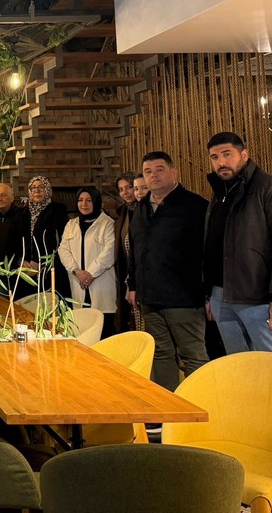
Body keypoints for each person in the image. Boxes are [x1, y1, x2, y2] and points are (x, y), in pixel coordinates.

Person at [205, 131, 272, 355]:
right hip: (221, 295)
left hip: (260, 298)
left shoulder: (269, 187)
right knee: (241, 367)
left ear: (244, 155)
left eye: (227, 154)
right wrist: (210, 293)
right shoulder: (220, 193)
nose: (221, 162)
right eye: (215, 157)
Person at [127, 151, 209, 391]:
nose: (153, 175)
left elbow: (208, 252)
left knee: (193, 355)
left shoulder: (195, 206)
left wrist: (209, 293)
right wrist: (133, 285)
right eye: (148, 171)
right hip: (149, 297)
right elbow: (135, 249)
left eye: (159, 169)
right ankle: (169, 405)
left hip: (184, 298)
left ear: (174, 172)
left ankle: (199, 403)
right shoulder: (141, 207)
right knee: (161, 353)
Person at [58, 187, 117, 338]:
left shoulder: (107, 223)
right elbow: (63, 250)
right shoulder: (71, 224)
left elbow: (109, 253)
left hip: (100, 285)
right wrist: (76, 271)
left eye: (89, 200)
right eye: (80, 200)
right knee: (83, 332)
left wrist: (89, 274)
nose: (83, 204)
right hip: (78, 285)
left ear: (96, 202)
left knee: (104, 333)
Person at [27, 176, 71, 300]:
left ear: (48, 190)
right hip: (28, 268)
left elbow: (55, 238)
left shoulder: (58, 209)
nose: (37, 191)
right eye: (33, 187)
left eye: (41, 187)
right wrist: (24, 261)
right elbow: (21, 238)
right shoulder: (25, 212)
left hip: (51, 265)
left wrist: (37, 261)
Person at [0, 183, 32, 286]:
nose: (0, 199)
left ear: (12, 197)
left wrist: (25, 259)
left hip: (18, 268)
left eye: (3, 195)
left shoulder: (24, 214)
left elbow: (29, 240)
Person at [113, 173, 142, 332]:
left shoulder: (143, 211)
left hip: (142, 277)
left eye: (130, 187)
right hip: (128, 275)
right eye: (121, 189)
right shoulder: (123, 213)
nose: (125, 192)